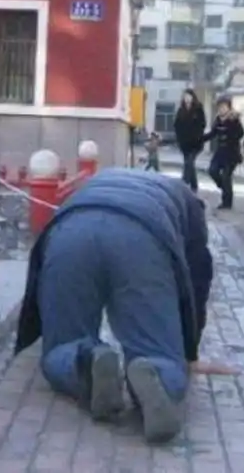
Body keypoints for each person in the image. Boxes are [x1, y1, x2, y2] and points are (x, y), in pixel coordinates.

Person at [14, 169, 213, 443]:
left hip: (70, 231)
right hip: (141, 238)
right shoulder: (188, 200)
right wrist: (189, 351)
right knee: (160, 353)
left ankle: (86, 362)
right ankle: (157, 375)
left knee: (63, 345)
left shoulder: (100, 178)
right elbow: (198, 276)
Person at [203, 96, 244, 211]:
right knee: (212, 171)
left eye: (224, 107)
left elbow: (241, 133)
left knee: (226, 177)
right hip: (220, 152)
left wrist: (233, 124)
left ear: (229, 108)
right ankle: (225, 188)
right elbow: (212, 134)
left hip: (231, 153)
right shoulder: (218, 120)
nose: (222, 109)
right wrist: (200, 139)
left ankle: (227, 202)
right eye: (220, 107)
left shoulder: (233, 120)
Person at [174, 88, 206, 192]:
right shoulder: (181, 110)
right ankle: (194, 186)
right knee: (189, 164)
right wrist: (179, 138)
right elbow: (176, 125)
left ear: (193, 97)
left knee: (189, 162)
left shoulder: (198, 109)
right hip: (184, 144)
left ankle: (184, 182)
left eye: (189, 96)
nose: (187, 98)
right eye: (185, 96)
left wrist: (198, 135)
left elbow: (203, 124)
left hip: (196, 143)